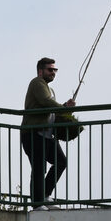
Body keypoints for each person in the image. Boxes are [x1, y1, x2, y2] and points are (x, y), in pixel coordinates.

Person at [21, 57, 75, 209]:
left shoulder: (50, 90)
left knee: (61, 162)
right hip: (33, 134)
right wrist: (63, 107)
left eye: (55, 70)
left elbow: (51, 109)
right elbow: (45, 101)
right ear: (40, 71)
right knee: (39, 167)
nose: (53, 72)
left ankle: (44, 195)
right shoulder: (37, 82)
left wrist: (64, 107)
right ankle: (37, 203)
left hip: (46, 136)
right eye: (50, 70)